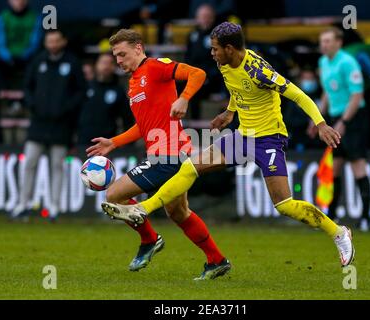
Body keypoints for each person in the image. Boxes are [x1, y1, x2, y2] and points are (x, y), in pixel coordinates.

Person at [101, 22, 355, 268]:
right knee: (189, 168)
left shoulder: (259, 70)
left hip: (268, 138)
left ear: (230, 49)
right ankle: (144, 209)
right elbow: (237, 89)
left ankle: (339, 232)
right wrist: (230, 113)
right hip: (243, 136)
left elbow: (297, 94)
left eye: (215, 49)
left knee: (285, 205)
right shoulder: (225, 64)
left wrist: (321, 124)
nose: (211, 53)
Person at [86, 29, 230, 280]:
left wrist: (184, 98)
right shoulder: (133, 84)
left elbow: (198, 73)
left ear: (138, 48)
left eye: (122, 54)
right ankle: (217, 261)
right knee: (178, 212)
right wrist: (114, 142)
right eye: (115, 56)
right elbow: (143, 126)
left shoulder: (155, 67)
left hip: (168, 155)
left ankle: (150, 240)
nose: (118, 61)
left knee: (114, 195)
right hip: (169, 153)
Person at [11, 30, 86, 220]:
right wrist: (33, 105)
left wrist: (67, 109)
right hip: (38, 123)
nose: (52, 44)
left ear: (63, 41)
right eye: (49, 41)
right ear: (45, 43)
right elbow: (27, 87)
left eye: (56, 40)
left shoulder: (72, 63)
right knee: (29, 162)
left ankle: (54, 207)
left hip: (61, 124)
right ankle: (22, 204)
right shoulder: (38, 61)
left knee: (57, 165)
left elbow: (81, 91)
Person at [308, 27, 370, 232]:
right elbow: (327, 92)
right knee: (335, 167)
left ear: (339, 42)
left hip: (353, 119)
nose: (323, 45)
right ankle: (333, 215)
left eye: (327, 41)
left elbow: (357, 96)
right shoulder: (323, 63)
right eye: (321, 41)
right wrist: (317, 119)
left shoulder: (347, 62)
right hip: (336, 117)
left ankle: (366, 218)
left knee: (357, 166)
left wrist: (343, 122)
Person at [77, 53, 132, 147]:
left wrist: (127, 143)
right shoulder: (85, 87)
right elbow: (74, 113)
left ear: (115, 66)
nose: (106, 66)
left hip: (108, 142)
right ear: (96, 65)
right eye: (103, 62)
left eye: (110, 63)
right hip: (83, 141)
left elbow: (127, 118)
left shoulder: (118, 90)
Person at [185, 4, 225, 119]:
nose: (205, 19)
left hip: (211, 79)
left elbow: (220, 62)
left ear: (213, 18)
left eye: (208, 16)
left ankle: (196, 129)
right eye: (202, 16)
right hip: (194, 76)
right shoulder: (192, 35)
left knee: (194, 91)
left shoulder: (218, 37)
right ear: (197, 18)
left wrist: (206, 75)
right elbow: (188, 58)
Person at [0, 0, 42, 89]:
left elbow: (35, 42)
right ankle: (3, 95)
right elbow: (0, 43)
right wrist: (8, 57)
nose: (19, 2)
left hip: (28, 57)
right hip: (6, 58)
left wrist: (24, 55)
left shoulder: (36, 17)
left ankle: (29, 95)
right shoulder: (2, 17)